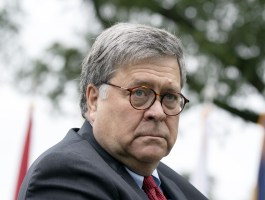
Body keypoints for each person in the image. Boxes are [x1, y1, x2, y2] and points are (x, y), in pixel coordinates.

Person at [18, 23, 208, 200]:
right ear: (94, 100)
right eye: (140, 93)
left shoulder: (181, 189)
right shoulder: (62, 175)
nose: (158, 112)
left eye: (169, 97)